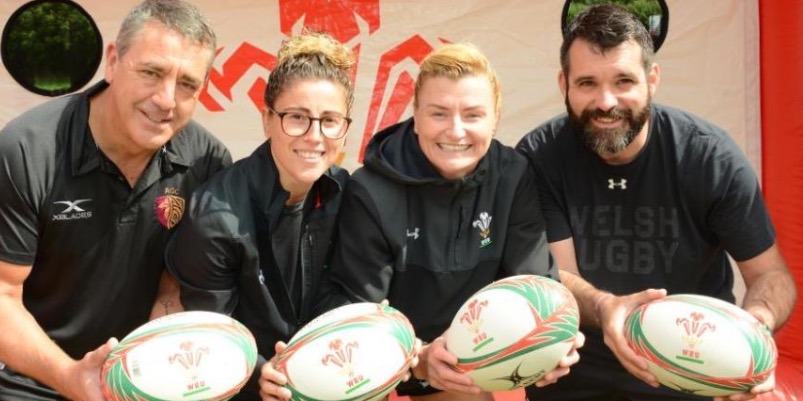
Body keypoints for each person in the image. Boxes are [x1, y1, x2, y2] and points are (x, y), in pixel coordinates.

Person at [517, 4, 797, 401]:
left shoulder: (710, 158)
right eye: (587, 83)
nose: (606, 102)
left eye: (624, 81)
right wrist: (606, 307)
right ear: (564, 84)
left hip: (697, 375)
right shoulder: (539, 156)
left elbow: (771, 275)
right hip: (575, 380)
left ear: (652, 79)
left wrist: (755, 331)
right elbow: (557, 275)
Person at [0, 1, 232, 400]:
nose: (166, 99)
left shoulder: (208, 162)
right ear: (113, 62)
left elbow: (174, 284)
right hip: (27, 383)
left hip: (134, 382)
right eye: (151, 72)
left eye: (187, 84)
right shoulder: (25, 150)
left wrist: (155, 366)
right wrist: (71, 376)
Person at [311, 43, 583, 401]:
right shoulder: (371, 190)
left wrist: (553, 343)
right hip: (398, 363)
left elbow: (535, 285)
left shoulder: (512, 174)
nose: (456, 132)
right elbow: (360, 315)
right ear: (416, 114)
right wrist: (421, 359)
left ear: (496, 117)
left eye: (473, 115)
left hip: (474, 363)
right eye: (439, 114)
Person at [164, 31, 354, 401]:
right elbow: (212, 332)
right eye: (296, 117)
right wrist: (258, 374)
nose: (314, 136)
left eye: (330, 120)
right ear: (267, 119)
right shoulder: (215, 215)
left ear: (345, 128)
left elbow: (353, 293)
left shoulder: (349, 195)